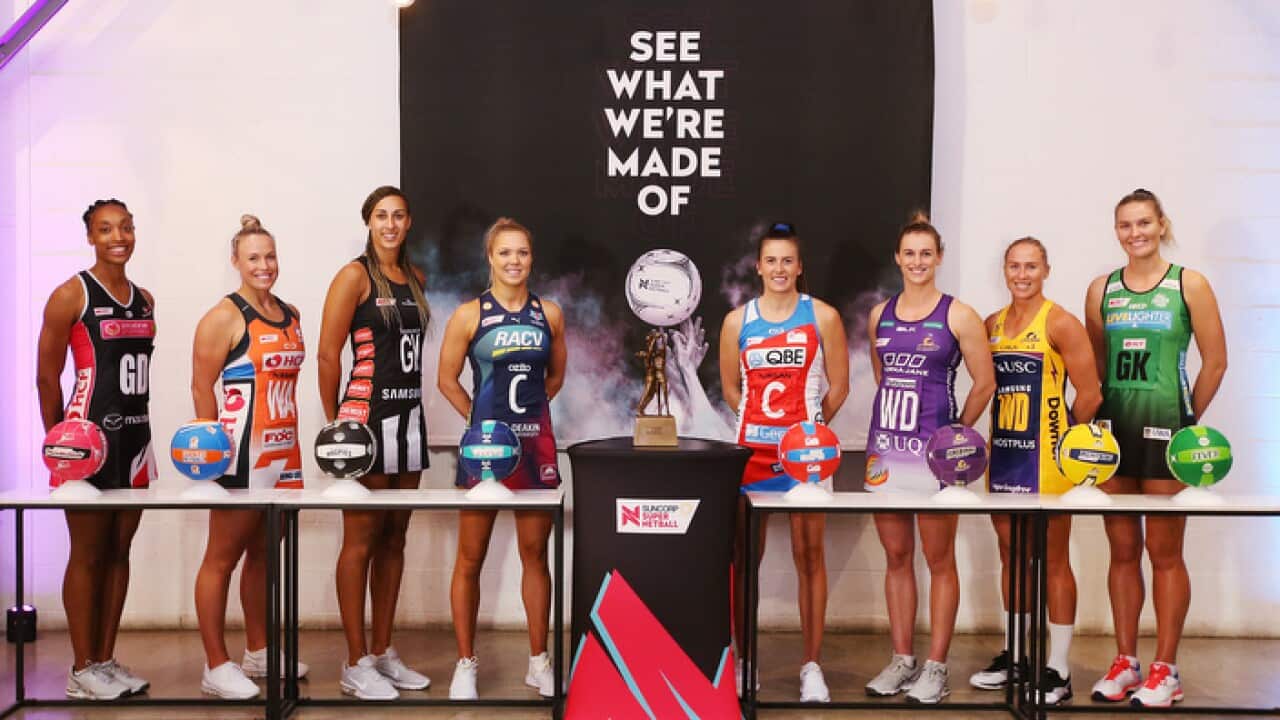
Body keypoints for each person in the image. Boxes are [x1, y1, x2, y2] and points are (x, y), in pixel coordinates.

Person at [1084, 189, 1227, 708]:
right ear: (1116, 230)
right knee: (1122, 550)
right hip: (1114, 435)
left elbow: (1215, 362)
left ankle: (1166, 669)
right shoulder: (1101, 289)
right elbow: (1098, 369)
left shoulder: (1190, 284)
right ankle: (1126, 661)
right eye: (1125, 225)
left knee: (1165, 553)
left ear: (1162, 224)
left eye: (1144, 223)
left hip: (1168, 433)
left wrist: (1188, 426)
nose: (1135, 233)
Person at [862, 212, 995, 704]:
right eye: (909, 253)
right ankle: (902, 660)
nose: (918, 261)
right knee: (896, 558)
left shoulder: (958, 314)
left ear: (938, 258)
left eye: (926, 253)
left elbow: (985, 382)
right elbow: (884, 376)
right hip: (886, 453)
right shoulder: (880, 314)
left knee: (939, 560)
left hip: (935, 460)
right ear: (898, 258)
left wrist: (957, 433)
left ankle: (936, 667)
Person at [718, 222, 850, 703]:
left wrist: (809, 432)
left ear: (800, 266)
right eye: (770, 261)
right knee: (743, 560)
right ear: (759, 266)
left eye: (787, 261)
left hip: (805, 460)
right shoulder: (738, 321)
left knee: (809, 557)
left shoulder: (823, 317)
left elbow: (840, 387)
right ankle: (744, 661)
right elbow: (731, 388)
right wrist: (755, 425)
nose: (779, 269)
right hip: (751, 455)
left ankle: (811, 666)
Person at [968, 237, 1102, 705]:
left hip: (1047, 464)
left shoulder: (1060, 322)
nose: (1022, 274)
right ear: (1004, 270)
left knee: (1053, 561)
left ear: (1046, 269)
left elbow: (1089, 392)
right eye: (1014, 266)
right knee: (1010, 555)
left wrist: (1069, 446)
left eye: (1031, 266)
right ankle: (1016, 655)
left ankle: (1059, 670)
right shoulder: (992, 324)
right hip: (1004, 456)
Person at [437, 217, 567, 700]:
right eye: (505, 253)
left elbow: (555, 376)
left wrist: (531, 418)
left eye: (523, 253)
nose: (515, 261)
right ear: (490, 258)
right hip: (484, 450)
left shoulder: (549, 314)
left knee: (536, 555)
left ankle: (538, 662)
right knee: (471, 556)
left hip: (535, 448)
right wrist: (478, 420)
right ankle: (465, 664)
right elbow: (446, 379)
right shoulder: (470, 315)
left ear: (532, 258)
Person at [36, 199, 157, 700]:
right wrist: (61, 447)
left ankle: (105, 661)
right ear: (90, 236)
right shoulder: (71, 295)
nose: (118, 236)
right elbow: (46, 376)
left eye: (125, 227)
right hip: (86, 445)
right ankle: (81, 667)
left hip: (135, 441)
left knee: (119, 551)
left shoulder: (145, 298)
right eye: (106, 229)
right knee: (87, 554)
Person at [318, 186, 433, 701]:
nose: (390, 224)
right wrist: (335, 425)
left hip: (409, 421)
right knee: (360, 541)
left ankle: (383, 650)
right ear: (368, 222)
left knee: (394, 540)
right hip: (365, 422)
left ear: (408, 223)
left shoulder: (416, 278)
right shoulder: (353, 276)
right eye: (381, 215)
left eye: (399, 216)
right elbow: (326, 356)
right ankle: (355, 660)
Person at [190, 215, 309, 698]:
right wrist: (210, 456)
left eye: (270, 256)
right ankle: (215, 664)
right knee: (221, 558)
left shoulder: (291, 312)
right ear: (236, 261)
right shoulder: (224, 316)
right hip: (241, 454)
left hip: (285, 450)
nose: (264, 265)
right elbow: (202, 386)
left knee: (264, 555)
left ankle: (258, 650)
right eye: (254, 257)